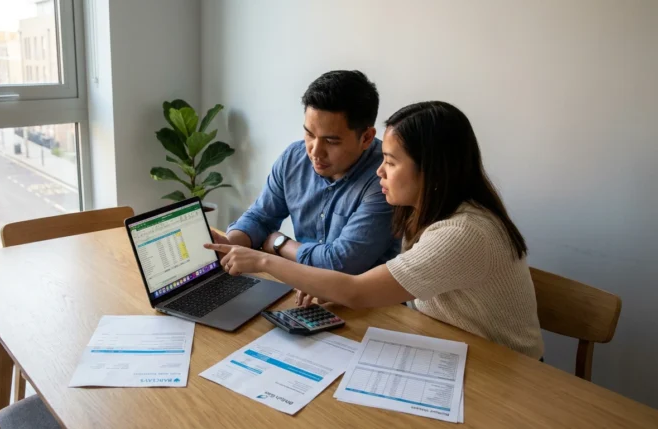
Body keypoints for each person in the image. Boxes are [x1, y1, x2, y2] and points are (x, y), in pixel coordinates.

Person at [206, 101, 544, 359]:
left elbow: (357, 291)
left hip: (506, 371)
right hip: (448, 346)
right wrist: (329, 288)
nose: (379, 171)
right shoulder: (425, 212)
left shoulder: (463, 232)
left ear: (431, 172)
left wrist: (264, 259)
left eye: (391, 162)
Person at [213, 70, 400, 287]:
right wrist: (229, 245)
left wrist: (279, 243)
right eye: (309, 134)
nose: (315, 152)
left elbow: (340, 263)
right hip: (303, 288)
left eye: (331, 141)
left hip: (366, 301)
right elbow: (260, 218)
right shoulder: (294, 158)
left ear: (366, 137)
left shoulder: (385, 179)